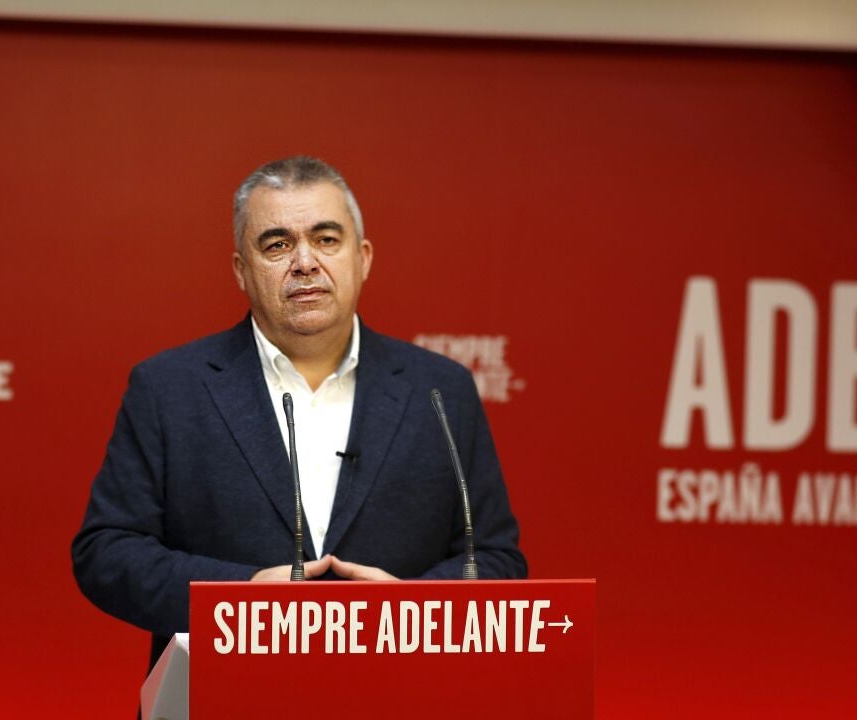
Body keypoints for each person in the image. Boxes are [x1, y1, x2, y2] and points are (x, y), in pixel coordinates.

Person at [72, 156, 526, 669]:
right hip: (225, 689)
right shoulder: (168, 388)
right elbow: (106, 552)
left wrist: (410, 610)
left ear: (363, 258)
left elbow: (496, 559)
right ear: (241, 270)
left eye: (326, 239)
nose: (305, 262)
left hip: (396, 687)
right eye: (277, 245)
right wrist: (238, 597)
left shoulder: (441, 390)